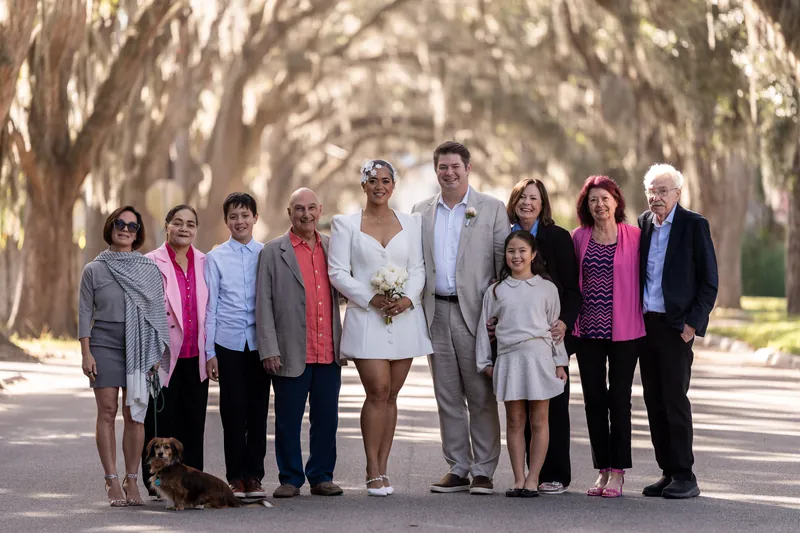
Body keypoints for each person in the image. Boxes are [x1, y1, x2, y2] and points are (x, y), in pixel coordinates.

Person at [328, 160, 433, 496]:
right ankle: (371, 469)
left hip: (405, 318)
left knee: (391, 396)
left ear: (393, 185)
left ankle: (384, 466)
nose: (379, 186)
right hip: (366, 319)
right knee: (377, 391)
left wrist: (407, 298)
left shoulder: (411, 222)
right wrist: (370, 298)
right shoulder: (346, 225)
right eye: (372, 180)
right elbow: (338, 272)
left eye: (386, 180)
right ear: (363, 185)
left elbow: (418, 268)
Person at [412, 141, 509, 495]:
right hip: (435, 311)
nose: (449, 173)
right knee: (447, 394)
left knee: (480, 393)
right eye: (442, 167)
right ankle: (458, 466)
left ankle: (483, 469)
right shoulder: (420, 211)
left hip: (477, 314)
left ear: (468, 168)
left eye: (455, 166)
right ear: (435, 170)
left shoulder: (493, 209)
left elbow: (504, 265)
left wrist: (499, 315)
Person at [256, 188, 346, 499]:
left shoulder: (334, 248)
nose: (305, 214)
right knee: (287, 421)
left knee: (326, 418)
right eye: (298, 208)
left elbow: (345, 290)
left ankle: (321, 476)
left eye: (311, 208)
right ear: (289, 212)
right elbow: (263, 303)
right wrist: (268, 348)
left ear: (320, 210)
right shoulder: (273, 251)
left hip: (328, 349)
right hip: (290, 350)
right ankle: (290, 478)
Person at [79, 206, 170, 507]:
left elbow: (157, 312)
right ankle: (111, 481)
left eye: (132, 226)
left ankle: (133, 480)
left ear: (138, 233)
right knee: (106, 412)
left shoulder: (148, 268)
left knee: (134, 414)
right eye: (120, 223)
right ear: (110, 227)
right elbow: (84, 314)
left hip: (139, 346)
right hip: (104, 343)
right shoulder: (94, 269)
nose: (125, 229)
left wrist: (155, 352)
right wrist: (86, 353)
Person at [638, 164, 718, 499]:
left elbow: (709, 281)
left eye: (663, 191)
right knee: (653, 401)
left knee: (674, 400)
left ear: (677, 194)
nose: (657, 197)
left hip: (675, 328)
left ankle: (686, 474)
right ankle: (668, 471)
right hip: (646, 326)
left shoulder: (693, 225)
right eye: (652, 191)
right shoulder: (643, 224)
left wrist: (691, 326)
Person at [476, 231, 569, 498]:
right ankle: (517, 478)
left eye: (522, 251)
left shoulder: (547, 288)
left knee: (540, 420)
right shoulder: (497, 290)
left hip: (540, 358)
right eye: (511, 251)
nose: (516, 256)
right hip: (509, 358)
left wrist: (559, 362)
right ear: (505, 256)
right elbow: (484, 328)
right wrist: (485, 362)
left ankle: (533, 478)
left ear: (533, 254)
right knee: (515, 420)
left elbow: (554, 330)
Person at [502, 178, 580, 494]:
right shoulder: (503, 236)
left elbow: (574, 290)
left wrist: (564, 322)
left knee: (553, 408)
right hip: (512, 337)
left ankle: (555, 473)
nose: (527, 203)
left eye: (534, 198)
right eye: (522, 197)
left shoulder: (558, 237)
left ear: (543, 202)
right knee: (520, 409)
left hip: (551, 335)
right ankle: (525, 477)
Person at [571, 176, 645, 498]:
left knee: (619, 401)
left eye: (605, 199)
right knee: (594, 402)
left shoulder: (636, 237)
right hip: (588, 330)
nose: (599, 205)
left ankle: (618, 471)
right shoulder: (578, 237)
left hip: (625, 331)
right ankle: (602, 469)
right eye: (593, 201)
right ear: (586, 207)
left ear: (616, 202)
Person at [141, 204, 209, 498]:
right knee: (160, 424)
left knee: (194, 423)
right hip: (163, 356)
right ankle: (157, 483)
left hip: (196, 355)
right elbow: (142, 310)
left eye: (190, 224)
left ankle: (191, 484)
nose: (184, 228)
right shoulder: (150, 262)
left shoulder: (206, 262)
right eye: (177, 223)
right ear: (166, 225)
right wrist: (149, 355)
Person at [204, 192, 268, 500]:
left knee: (258, 411)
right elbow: (210, 307)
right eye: (233, 216)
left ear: (255, 217)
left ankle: (254, 476)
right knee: (232, 412)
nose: (239, 221)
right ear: (226, 221)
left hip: (260, 344)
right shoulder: (215, 257)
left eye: (245, 215)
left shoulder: (267, 254)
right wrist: (209, 352)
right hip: (227, 343)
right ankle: (236, 478)